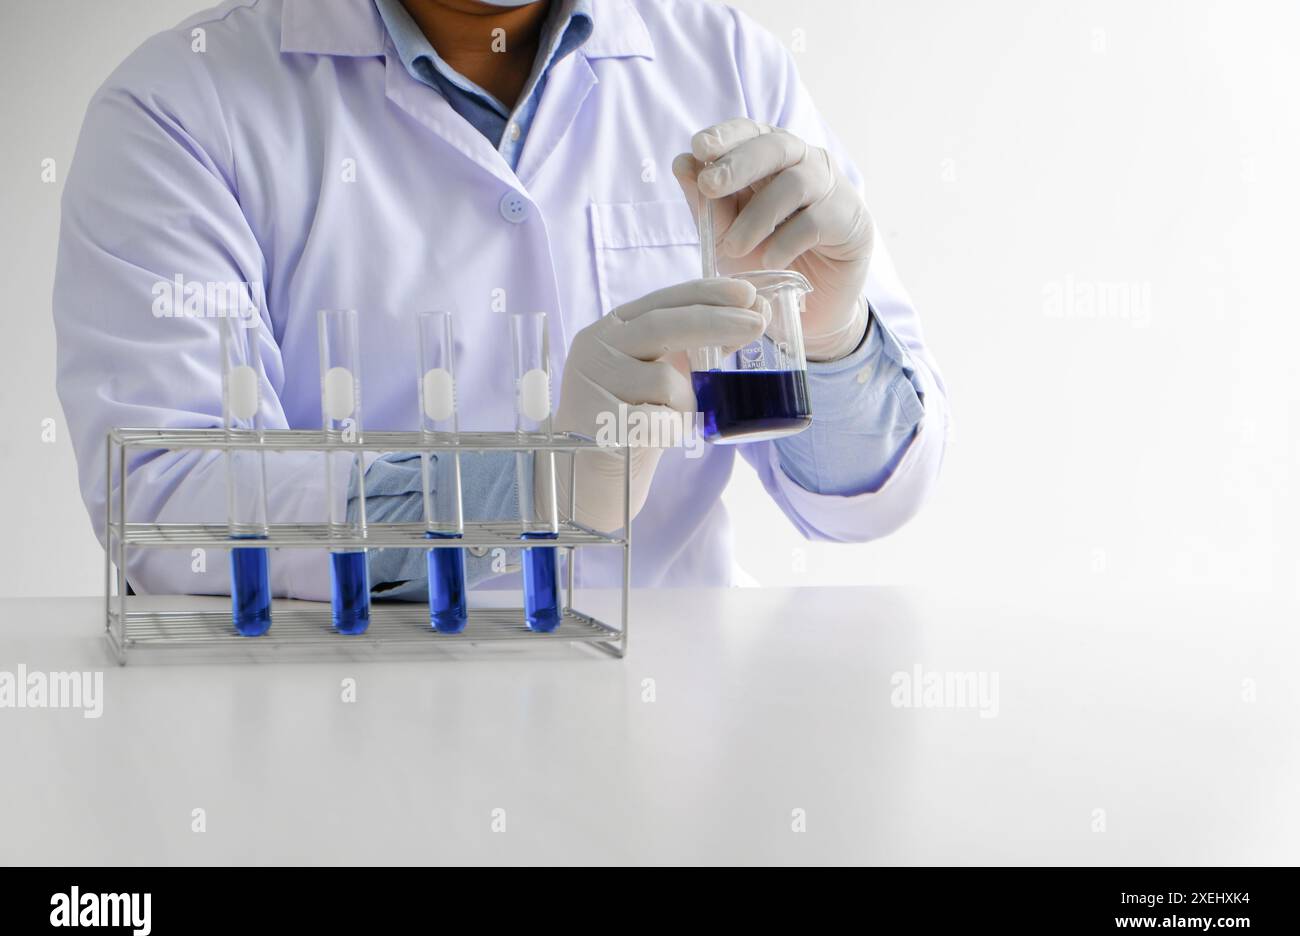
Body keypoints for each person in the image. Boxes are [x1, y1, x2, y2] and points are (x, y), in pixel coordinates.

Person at [54, 0, 948, 600]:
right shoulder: (181, 104)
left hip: (679, 718)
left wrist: (832, 343)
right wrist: (524, 490)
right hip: (345, 730)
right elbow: (169, 505)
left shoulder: (726, 60)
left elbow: (865, 500)